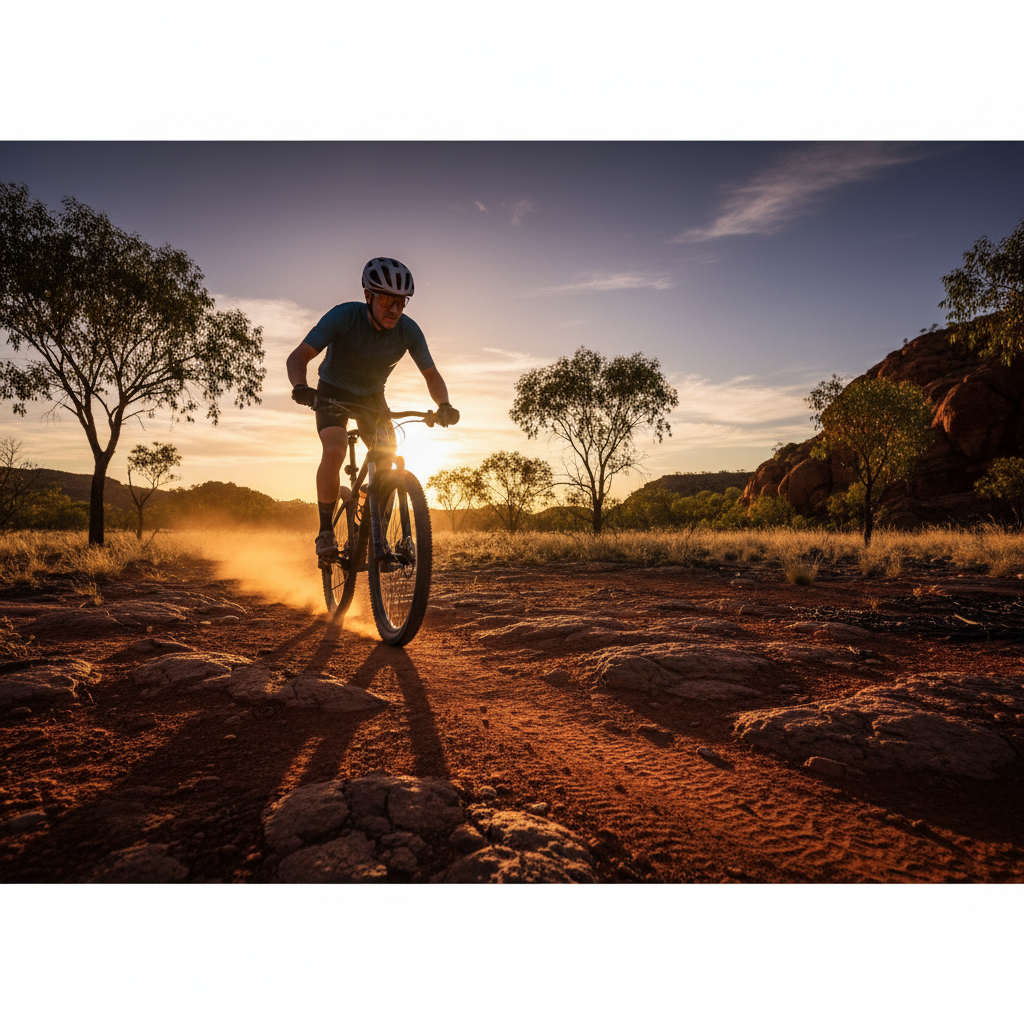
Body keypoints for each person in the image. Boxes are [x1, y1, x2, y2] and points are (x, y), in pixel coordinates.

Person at [286, 257, 458, 558]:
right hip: (332, 392)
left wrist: (444, 405)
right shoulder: (343, 316)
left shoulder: (409, 331)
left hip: (372, 398)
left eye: (400, 303)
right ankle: (325, 531)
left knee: (388, 461)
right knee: (335, 448)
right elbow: (298, 356)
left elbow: (431, 374)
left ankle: (370, 527)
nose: (394, 310)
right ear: (368, 296)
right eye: (386, 300)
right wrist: (301, 387)